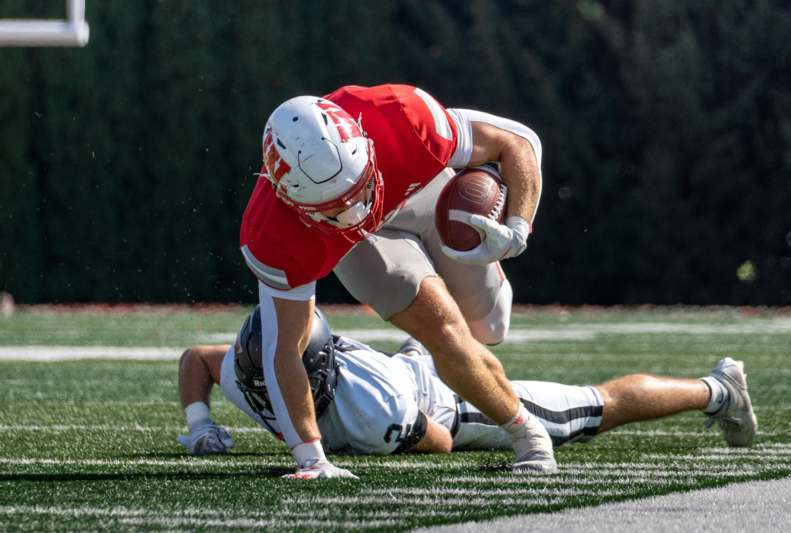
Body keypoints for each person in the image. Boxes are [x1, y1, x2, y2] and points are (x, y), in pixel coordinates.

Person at [239, 83, 551, 479]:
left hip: (413, 190)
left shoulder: (401, 116)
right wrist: (311, 458)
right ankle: (527, 434)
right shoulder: (272, 235)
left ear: (365, 144)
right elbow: (283, 350)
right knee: (445, 331)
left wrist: (518, 227)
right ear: (288, 198)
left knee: (490, 327)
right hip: (355, 244)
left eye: (357, 191)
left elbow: (518, 143)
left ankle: (418, 354)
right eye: (335, 207)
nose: (356, 211)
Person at [177, 307, 758, 469]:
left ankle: (718, 388)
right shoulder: (255, 369)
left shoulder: (372, 410)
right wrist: (200, 425)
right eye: (265, 376)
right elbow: (197, 359)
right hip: (402, 369)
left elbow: (438, 439)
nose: (272, 389)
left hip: (444, 402)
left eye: (286, 377)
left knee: (592, 408)